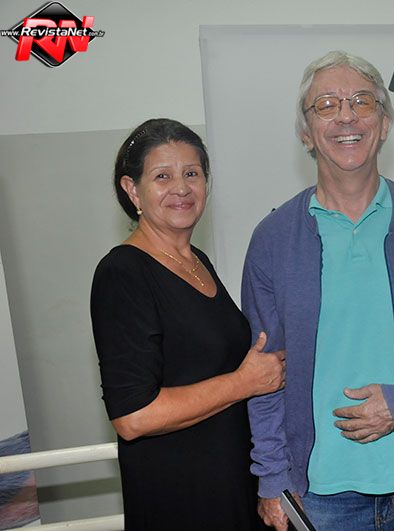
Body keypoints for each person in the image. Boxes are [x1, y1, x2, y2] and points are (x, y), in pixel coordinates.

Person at [242, 51, 394, 531]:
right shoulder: (273, 240)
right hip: (321, 495)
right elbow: (263, 370)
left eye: (362, 101)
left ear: (384, 124)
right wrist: (272, 475)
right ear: (305, 132)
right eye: (326, 105)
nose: (346, 116)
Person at [90, 118, 285, 530]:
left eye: (192, 174)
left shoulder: (197, 262)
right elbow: (133, 416)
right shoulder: (122, 274)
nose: (181, 188)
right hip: (180, 499)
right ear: (132, 190)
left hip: (232, 486)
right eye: (163, 176)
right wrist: (244, 382)